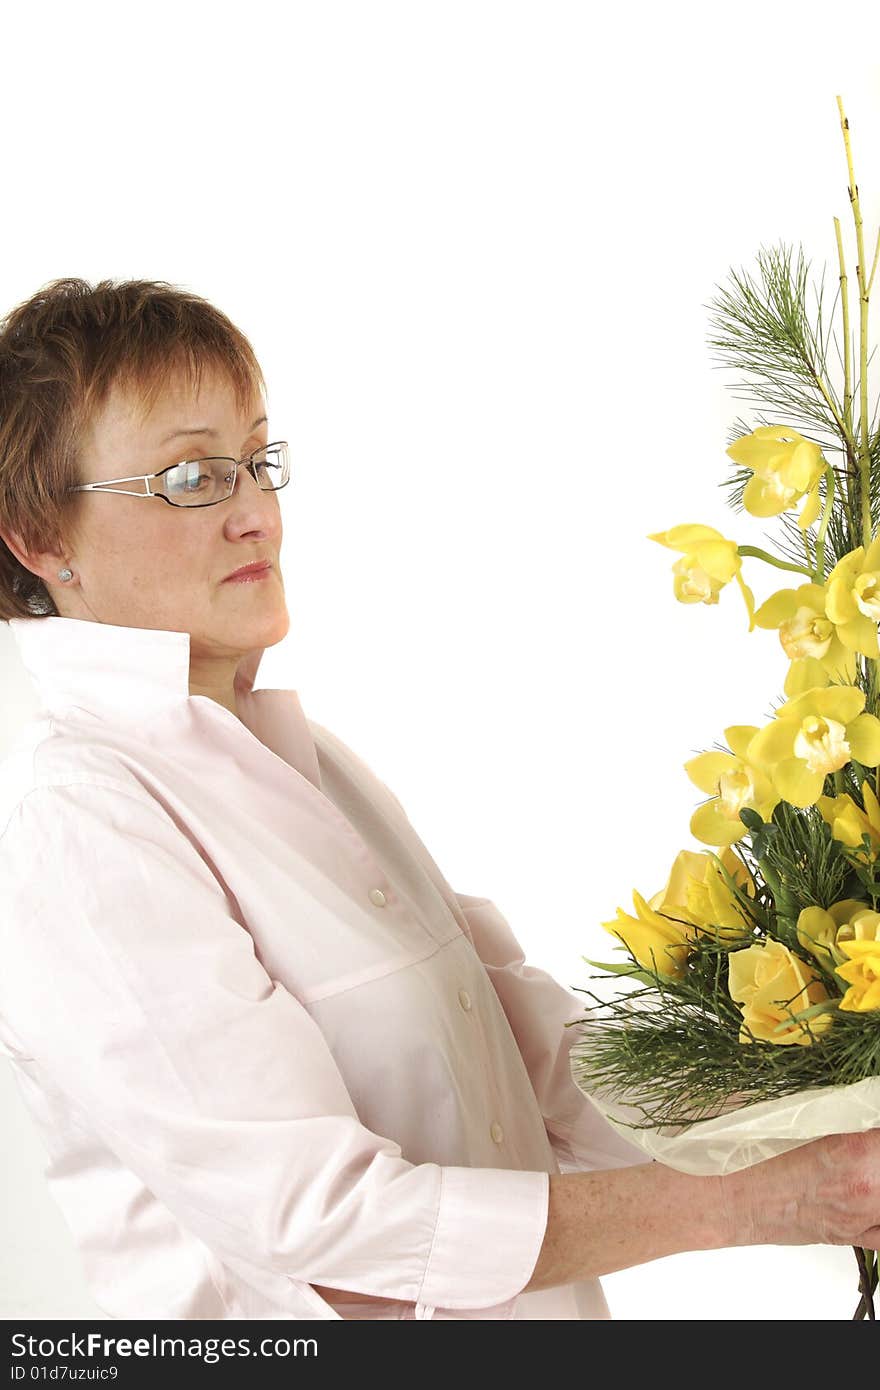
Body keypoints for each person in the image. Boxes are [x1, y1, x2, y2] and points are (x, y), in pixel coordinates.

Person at [0, 278, 877, 1323]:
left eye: (258, 459)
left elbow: (540, 1060)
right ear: (39, 537)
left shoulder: (304, 759)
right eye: (191, 476)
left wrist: (820, 1101)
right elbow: (330, 1237)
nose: (255, 513)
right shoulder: (83, 826)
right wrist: (755, 1202)